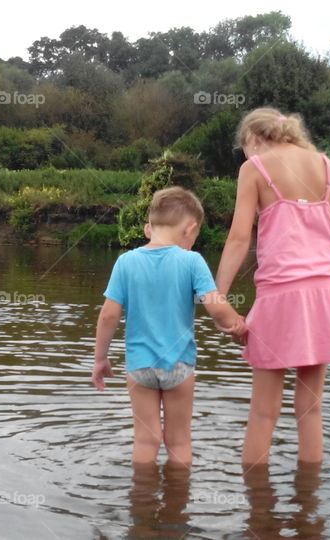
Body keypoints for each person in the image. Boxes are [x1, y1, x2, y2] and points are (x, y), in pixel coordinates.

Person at [214, 107, 330, 466]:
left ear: (254, 139)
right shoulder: (326, 166)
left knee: (263, 412)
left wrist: (218, 296)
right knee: (311, 409)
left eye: (245, 148)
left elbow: (240, 238)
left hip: (280, 296)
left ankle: (257, 504)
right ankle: (309, 501)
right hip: (325, 295)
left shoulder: (253, 168)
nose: (246, 155)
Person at [93, 186, 247, 467]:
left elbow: (108, 316)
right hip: (179, 364)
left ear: (148, 228)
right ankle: (177, 506)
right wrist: (237, 326)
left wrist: (100, 359)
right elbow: (215, 305)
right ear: (190, 229)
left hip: (139, 366)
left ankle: (142, 502)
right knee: (179, 440)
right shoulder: (192, 261)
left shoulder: (125, 262)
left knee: (144, 440)